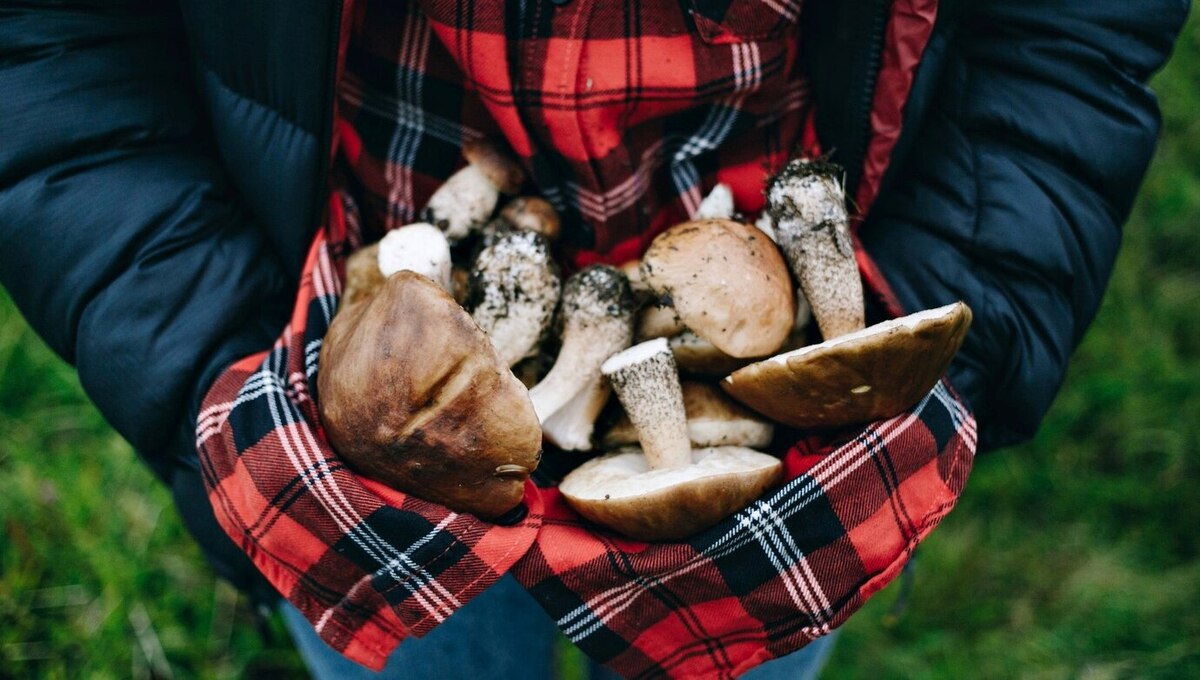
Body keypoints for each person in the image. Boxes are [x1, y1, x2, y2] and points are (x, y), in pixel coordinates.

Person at [0, 0, 1188, 677]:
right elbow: (55, 43)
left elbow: (1065, 31)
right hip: (355, 384)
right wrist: (210, 369)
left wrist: (933, 334)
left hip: (765, 416)